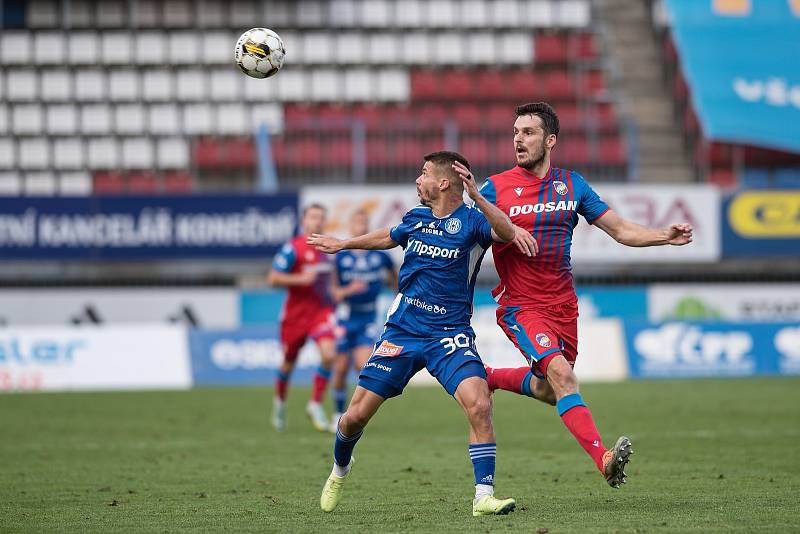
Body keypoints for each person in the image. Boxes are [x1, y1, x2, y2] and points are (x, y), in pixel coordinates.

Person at [480, 102, 694, 488]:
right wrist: (506, 232)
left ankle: (490, 376)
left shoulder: (572, 185)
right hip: (521, 307)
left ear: (550, 140)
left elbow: (622, 230)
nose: (518, 139)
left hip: (564, 307)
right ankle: (605, 460)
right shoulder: (494, 188)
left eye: (527, 133)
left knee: (550, 388)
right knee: (563, 375)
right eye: (515, 132)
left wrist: (665, 235)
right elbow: (472, 233)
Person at [309, 151, 535, 516]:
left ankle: (483, 496)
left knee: (479, 404)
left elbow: (506, 232)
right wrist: (344, 243)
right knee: (353, 418)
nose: (418, 179)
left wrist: (478, 197)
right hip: (402, 332)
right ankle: (340, 469)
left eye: (424, 173)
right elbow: (389, 236)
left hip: (449, 334)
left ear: (443, 182)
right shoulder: (415, 218)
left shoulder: (474, 222)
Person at [267, 204, 339, 432]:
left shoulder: (327, 249)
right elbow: (272, 279)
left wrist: (338, 293)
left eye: (321, 217)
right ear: (304, 220)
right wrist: (300, 279)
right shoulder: (293, 249)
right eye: (313, 217)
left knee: (329, 355)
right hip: (295, 317)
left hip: (321, 313)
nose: (317, 221)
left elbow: (333, 282)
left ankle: (315, 404)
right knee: (288, 364)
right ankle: (279, 403)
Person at [329, 209, 398, 432]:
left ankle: (356, 412)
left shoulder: (380, 255)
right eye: (357, 222)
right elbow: (335, 294)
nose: (361, 225)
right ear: (351, 226)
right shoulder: (341, 257)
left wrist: (399, 289)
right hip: (345, 317)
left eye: (364, 222)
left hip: (368, 317)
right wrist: (349, 289)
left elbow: (395, 277)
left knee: (362, 365)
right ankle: (338, 413)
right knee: (340, 369)